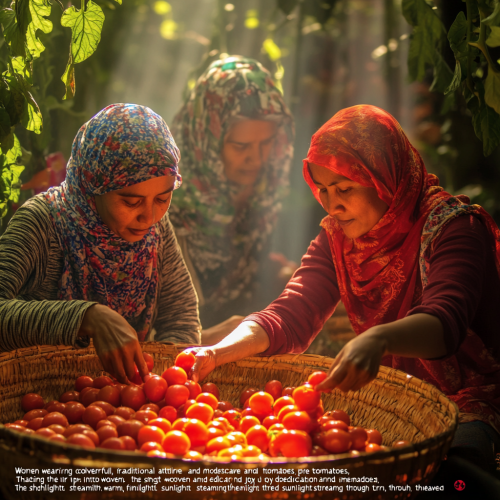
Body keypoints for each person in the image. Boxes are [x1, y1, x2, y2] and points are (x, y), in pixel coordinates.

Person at [188, 105, 500, 476]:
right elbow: (290, 314)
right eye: (322, 189)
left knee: (455, 474)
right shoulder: (337, 239)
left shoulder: (455, 229)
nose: (332, 204)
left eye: (345, 189)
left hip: (474, 399)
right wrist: (216, 352)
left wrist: (378, 340)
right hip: (392, 399)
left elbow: (444, 323)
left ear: (385, 179)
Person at [0, 104, 201, 384]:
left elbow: (180, 319)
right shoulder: (42, 223)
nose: (149, 216)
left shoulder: (156, 231)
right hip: (35, 396)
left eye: (162, 199)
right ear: (92, 187)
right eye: (131, 201)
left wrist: (163, 388)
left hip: (115, 406)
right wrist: (87, 317)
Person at [168, 56, 294, 340]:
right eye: (241, 146)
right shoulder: (164, 201)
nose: (257, 159)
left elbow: (247, 268)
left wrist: (284, 275)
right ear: (206, 141)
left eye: (267, 143)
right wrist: (215, 338)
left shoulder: (261, 192)